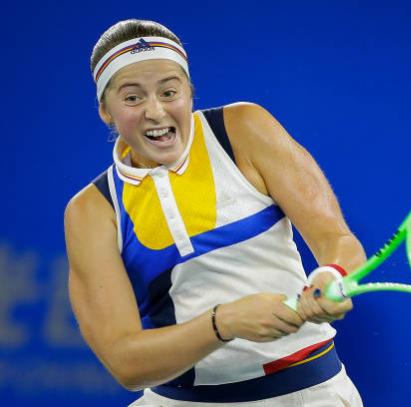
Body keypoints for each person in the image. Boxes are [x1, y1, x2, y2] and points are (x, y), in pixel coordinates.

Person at [64, 19, 366, 406]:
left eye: (169, 91)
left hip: (310, 394)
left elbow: (337, 241)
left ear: (189, 92)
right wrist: (223, 322)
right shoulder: (92, 211)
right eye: (133, 98)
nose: (155, 112)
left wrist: (332, 274)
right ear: (105, 109)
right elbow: (125, 363)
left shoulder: (243, 129)